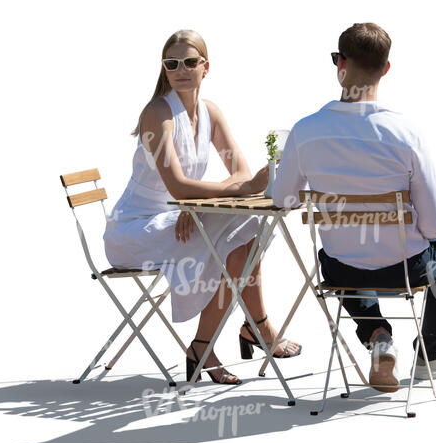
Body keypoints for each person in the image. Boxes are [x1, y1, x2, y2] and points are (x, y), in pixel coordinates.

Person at [272, 22, 436, 392]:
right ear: (386, 68)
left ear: (339, 64)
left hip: (342, 270)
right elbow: (433, 224)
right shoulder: (406, 133)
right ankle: (433, 354)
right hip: (406, 270)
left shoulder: (305, 130)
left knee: (343, 258)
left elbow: (282, 200)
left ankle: (377, 336)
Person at [103, 29, 301, 385]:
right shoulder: (157, 114)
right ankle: (254, 331)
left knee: (246, 230)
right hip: (134, 229)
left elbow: (238, 170)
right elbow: (178, 185)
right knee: (237, 232)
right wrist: (212, 195)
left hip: (178, 217)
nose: (181, 69)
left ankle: (213, 342)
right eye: (172, 63)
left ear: (205, 67)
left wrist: (196, 202)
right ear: (164, 69)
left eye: (190, 62)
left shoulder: (210, 112)